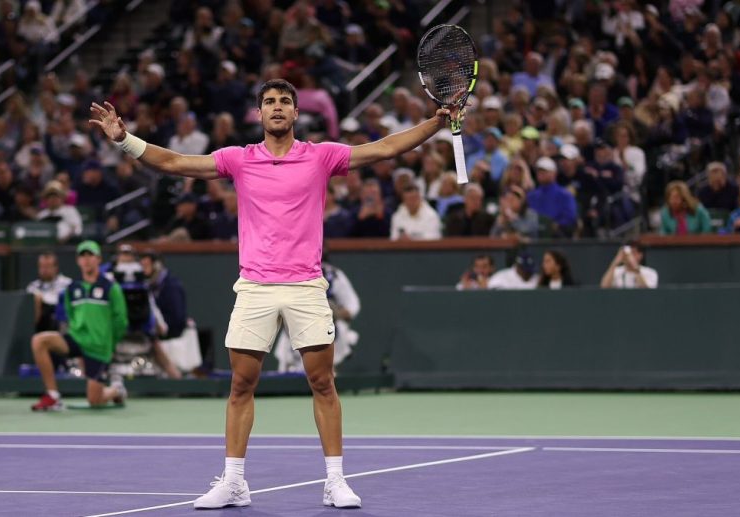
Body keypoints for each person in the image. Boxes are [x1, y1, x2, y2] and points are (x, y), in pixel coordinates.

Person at [89, 78, 461, 509]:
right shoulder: (239, 159)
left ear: (296, 113)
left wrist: (435, 124)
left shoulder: (321, 155)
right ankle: (234, 482)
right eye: (269, 102)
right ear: (260, 113)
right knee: (240, 385)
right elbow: (174, 162)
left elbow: (385, 148)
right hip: (255, 287)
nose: (277, 107)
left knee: (322, 382)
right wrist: (125, 140)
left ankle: (335, 481)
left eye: (285, 101)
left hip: (306, 286)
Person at [30, 240, 129, 410]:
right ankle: (53, 396)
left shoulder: (111, 288)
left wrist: (109, 344)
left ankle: (116, 390)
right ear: (78, 261)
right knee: (39, 341)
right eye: (83, 256)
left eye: (90, 255)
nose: (86, 260)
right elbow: (70, 316)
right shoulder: (71, 289)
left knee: (95, 400)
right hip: (77, 339)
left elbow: (121, 321)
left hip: (99, 348)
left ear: (98, 259)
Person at [275, 244, 361, 371]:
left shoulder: (334, 275)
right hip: (296, 329)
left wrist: (334, 312)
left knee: (324, 373)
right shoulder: (292, 273)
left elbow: (352, 307)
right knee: (290, 373)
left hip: (326, 329)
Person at [104, 244, 182, 379]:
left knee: (157, 347)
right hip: (114, 333)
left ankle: (178, 382)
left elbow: (158, 320)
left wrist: (157, 325)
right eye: (123, 256)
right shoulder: (107, 279)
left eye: (129, 256)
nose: (126, 260)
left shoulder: (143, 284)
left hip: (142, 331)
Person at [26, 251, 72, 332]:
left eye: (47, 266)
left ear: (55, 267)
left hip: (60, 321)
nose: (44, 270)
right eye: (42, 266)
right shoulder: (33, 286)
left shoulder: (67, 283)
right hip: (39, 323)